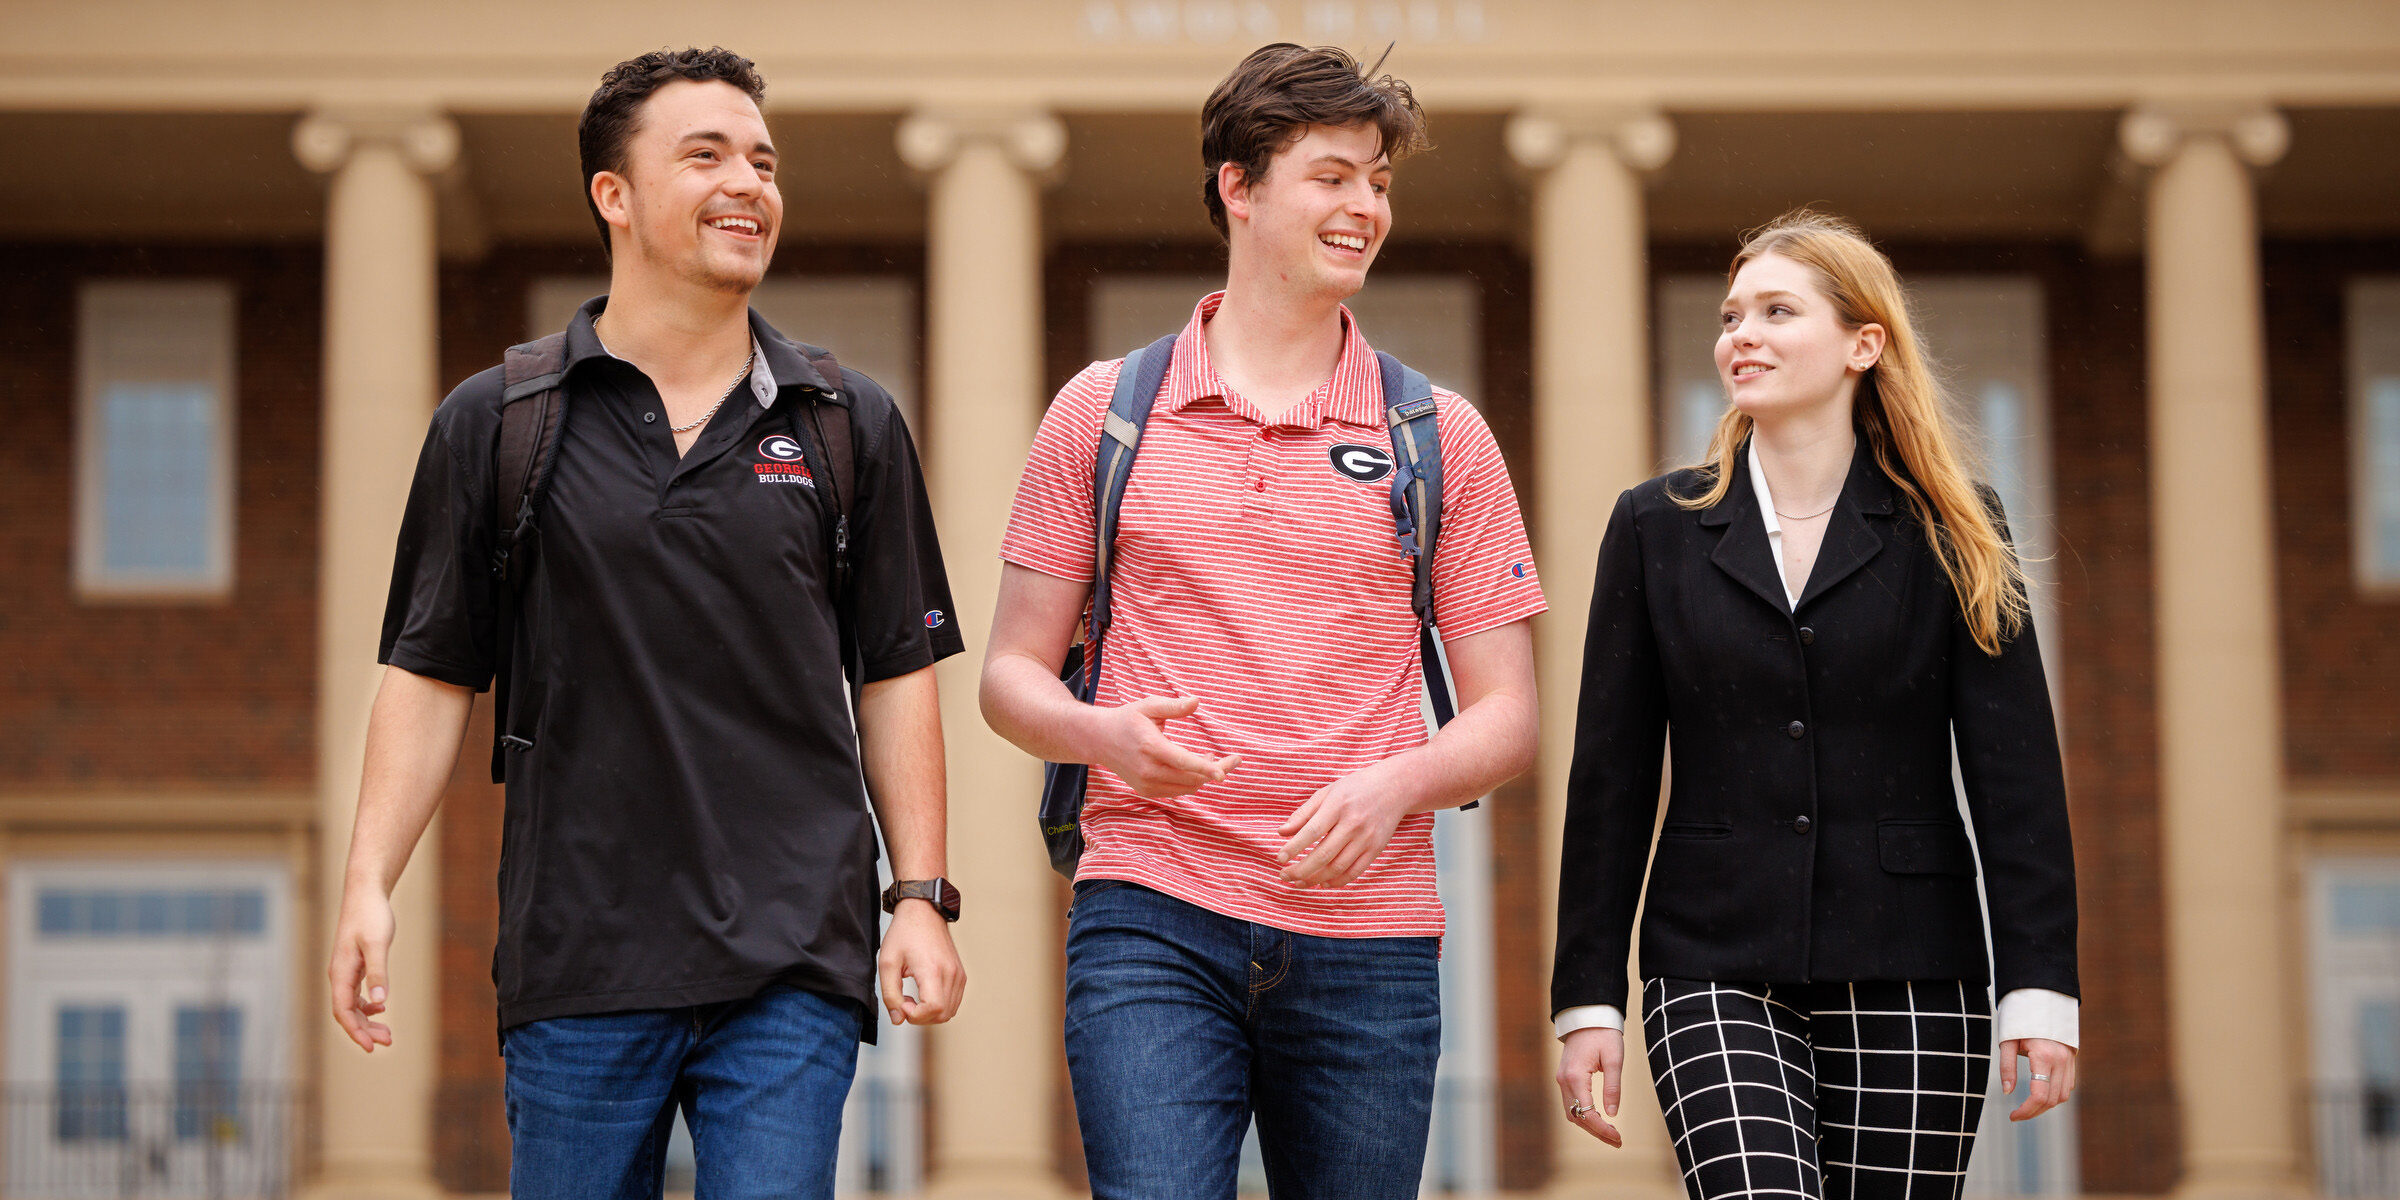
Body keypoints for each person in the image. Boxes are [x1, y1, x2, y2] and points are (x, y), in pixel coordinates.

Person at [325, 46, 966, 1200]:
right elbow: (429, 675)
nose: (750, 183)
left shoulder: (846, 422)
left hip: (790, 958)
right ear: (612, 196)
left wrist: (918, 896)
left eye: (764, 160)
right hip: (578, 959)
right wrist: (370, 877)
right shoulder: (499, 423)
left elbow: (897, 673)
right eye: (707, 155)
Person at [981, 42, 1545, 1200]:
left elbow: (1509, 718)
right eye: (1332, 176)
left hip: (1371, 938)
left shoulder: (1442, 437)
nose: (1365, 207)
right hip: (1149, 914)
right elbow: (1009, 679)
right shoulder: (1104, 413)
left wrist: (1391, 788)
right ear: (1238, 187)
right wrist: (1106, 739)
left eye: (1379, 181)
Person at [1550, 210, 2080, 1197]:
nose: (1740, 334)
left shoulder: (1956, 528)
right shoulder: (1654, 528)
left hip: (1915, 964)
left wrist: (2040, 988)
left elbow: (2018, 783)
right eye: (1731, 314)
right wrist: (1586, 998)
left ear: (1861, 344)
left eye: (1777, 311)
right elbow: (1609, 779)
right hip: (1711, 960)